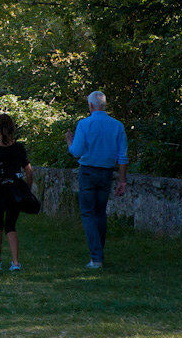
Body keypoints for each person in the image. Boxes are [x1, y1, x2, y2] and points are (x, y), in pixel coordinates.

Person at [65, 90, 128, 269]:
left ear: (91, 106)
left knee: (88, 213)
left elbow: (76, 152)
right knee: (100, 213)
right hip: (106, 173)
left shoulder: (84, 124)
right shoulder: (117, 126)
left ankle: (96, 257)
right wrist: (122, 181)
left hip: (88, 172)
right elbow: (123, 156)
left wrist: (69, 140)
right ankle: (98, 253)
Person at [0, 114, 33, 271]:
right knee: (11, 225)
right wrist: (26, 190)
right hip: (14, 191)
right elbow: (29, 172)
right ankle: (16, 262)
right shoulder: (18, 148)